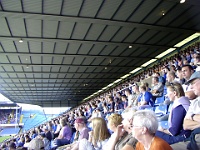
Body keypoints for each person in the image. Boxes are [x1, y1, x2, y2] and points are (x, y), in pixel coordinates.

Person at [171, 71, 200, 149]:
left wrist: (192, 117)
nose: (191, 87)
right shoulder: (194, 102)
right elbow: (186, 125)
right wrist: (194, 117)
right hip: (192, 139)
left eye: (193, 83)